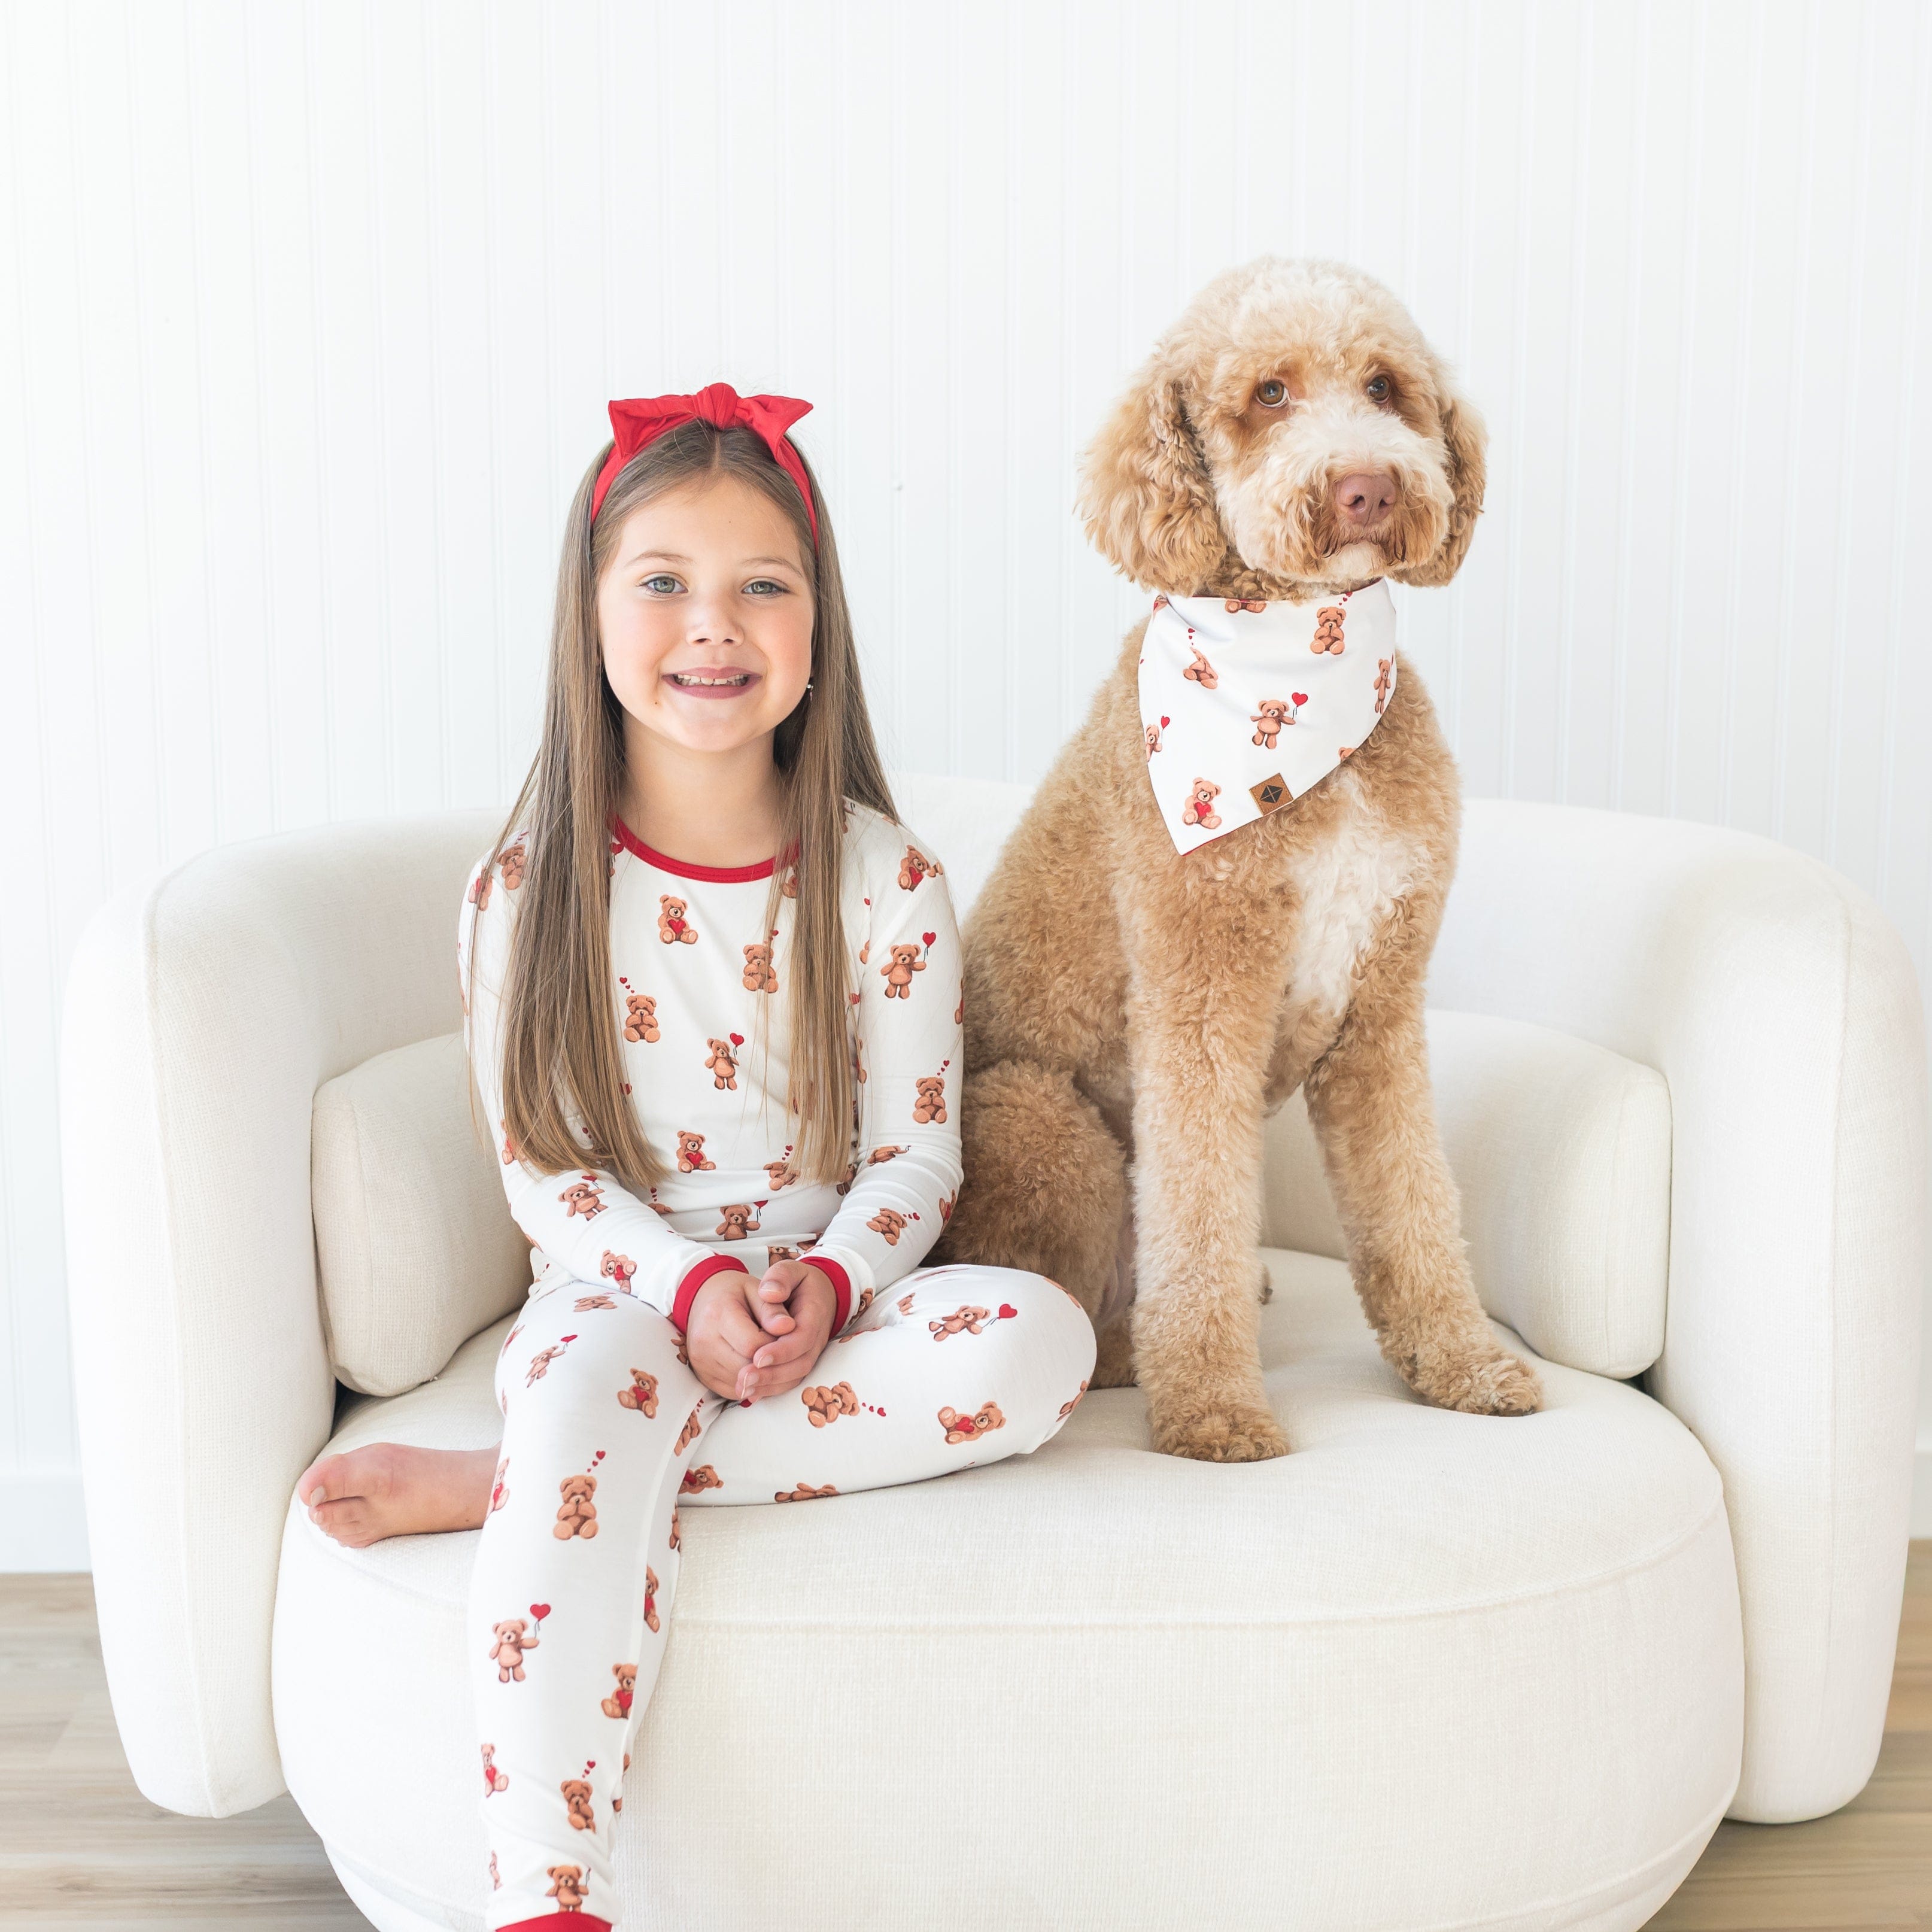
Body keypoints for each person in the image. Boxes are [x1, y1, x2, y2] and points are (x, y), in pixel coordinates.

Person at [292, 384, 1095, 1932]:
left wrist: (826, 1277)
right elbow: (547, 1174)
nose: (709, 624)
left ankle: (515, 1480)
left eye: (760, 585)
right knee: (594, 1390)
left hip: (830, 1297)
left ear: (816, 621)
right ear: (588, 611)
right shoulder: (528, 884)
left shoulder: (887, 877)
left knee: (1040, 1339)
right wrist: (693, 1280)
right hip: (618, 1287)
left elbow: (917, 1158)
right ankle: (547, 1890)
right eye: (661, 579)